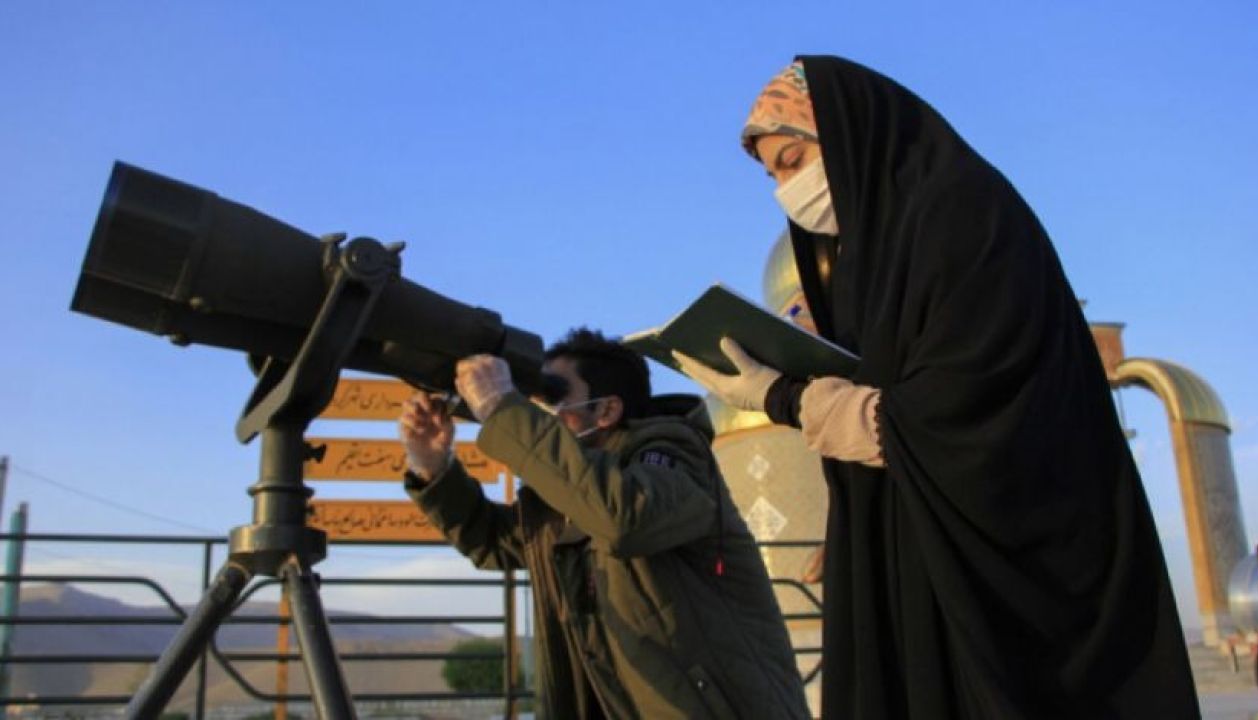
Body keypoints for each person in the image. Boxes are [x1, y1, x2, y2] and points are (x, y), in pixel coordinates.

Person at [675, 57, 1200, 719]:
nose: (786, 190)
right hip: (922, 557)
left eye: (794, 159)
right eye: (773, 175)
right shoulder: (875, 255)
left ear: (852, 133)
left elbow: (961, 417)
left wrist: (785, 398)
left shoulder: (961, 214)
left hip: (1018, 586)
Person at [400, 328, 809, 720]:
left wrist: (502, 410)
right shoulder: (570, 493)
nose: (542, 413)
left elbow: (626, 517)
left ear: (607, 410)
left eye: (554, 398)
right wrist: (433, 465)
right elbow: (494, 542)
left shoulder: (676, 454)